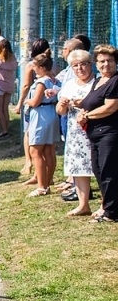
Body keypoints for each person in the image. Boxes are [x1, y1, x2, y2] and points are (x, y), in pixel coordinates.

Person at [77, 44, 118, 224]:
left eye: (109, 61)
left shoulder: (115, 80)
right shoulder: (98, 80)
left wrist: (87, 115)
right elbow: (91, 102)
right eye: (101, 61)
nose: (105, 64)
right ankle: (106, 205)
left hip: (110, 133)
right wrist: (81, 110)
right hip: (95, 134)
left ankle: (111, 213)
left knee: (109, 172)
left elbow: (110, 107)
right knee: (98, 170)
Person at [57, 49, 97, 216]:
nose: (80, 68)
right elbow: (60, 111)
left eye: (83, 64)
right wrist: (63, 104)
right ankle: (83, 204)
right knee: (78, 168)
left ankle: (105, 205)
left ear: (90, 65)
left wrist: (84, 104)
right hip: (75, 132)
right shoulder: (70, 84)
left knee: (99, 167)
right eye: (75, 65)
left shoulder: (97, 82)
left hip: (94, 130)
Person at [23, 54, 61, 195]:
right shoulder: (54, 80)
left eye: (35, 66)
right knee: (48, 150)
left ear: (42, 68)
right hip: (51, 112)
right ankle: (47, 180)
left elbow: (35, 101)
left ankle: (41, 186)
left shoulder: (42, 82)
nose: (33, 68)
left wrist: (27, 101)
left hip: (40, 115)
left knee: (35, 151)